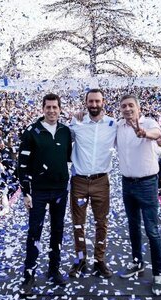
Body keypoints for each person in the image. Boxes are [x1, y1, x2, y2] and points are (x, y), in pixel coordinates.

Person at [18, 93, 72, 295]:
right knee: (35, 233)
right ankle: (29, 276)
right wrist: (25, 191)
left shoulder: (66, 131)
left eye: (55, 107)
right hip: (38, 192)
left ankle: (53, 270)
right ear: (42, 109)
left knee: (57, 231)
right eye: (48, 107)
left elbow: (66, 157)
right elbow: (22, 165)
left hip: (59, 189)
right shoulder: (31, 131)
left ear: (60, 109)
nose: (51, 111)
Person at [116, 94, 161, 296]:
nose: (127, 109)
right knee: (133, 226)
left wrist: (144, 133)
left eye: (131, 106)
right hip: (127, 183)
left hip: (147, 183)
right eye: (124, 106)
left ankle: (158, 274)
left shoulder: (149, 122)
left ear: (138, 107)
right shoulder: (118, 126)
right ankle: (137, 264)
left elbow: (157, 134)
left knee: (152, 230)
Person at [68, 89, 116, 279]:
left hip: (101, 181)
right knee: (78, 224)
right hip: (79, 181)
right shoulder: (77, 122)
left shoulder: (113, 124)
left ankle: (99, 260)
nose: (94, 105)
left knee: (101, 223)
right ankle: (80, 259)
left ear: (103, 101)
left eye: (97, 101)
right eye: (91, 101)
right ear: (86, 102)